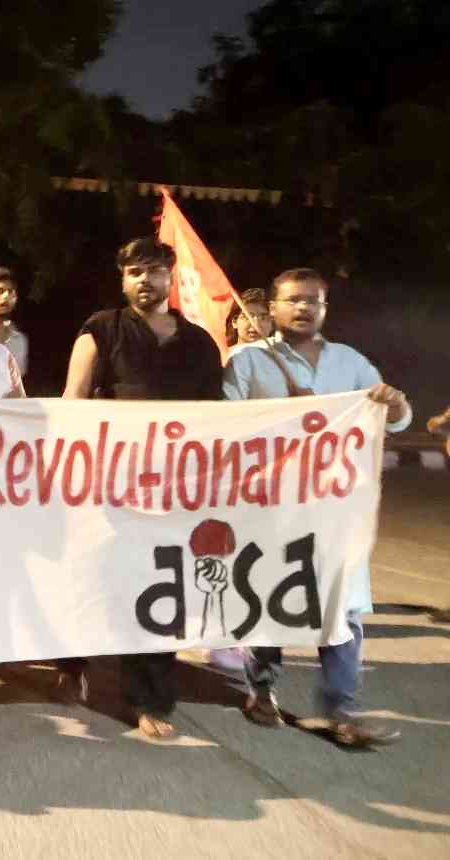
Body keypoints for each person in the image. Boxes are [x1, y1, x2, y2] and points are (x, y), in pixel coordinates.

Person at [223, 267, 410, 746]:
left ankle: (340, 708)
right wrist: (289, 414)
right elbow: (223, 424)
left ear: (325, 308)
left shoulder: (350, 362)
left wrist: (394, 403)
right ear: (275, 306)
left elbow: (396, 418)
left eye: (313, 300)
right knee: (267, 597)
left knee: (341, 607)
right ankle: (260, 690)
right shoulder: (247, 362)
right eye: (293, 300)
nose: (303, 307)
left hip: (336, 509)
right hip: (271, 505)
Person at [61, 237, 223, 740]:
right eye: (135, 271)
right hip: (107, 488)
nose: (145, 280)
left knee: (161, 593)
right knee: (92, 582)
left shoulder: (198, 344)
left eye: (155, 270)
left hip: (174, 494)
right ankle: (72, 661)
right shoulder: (101, 331)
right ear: (123, 279)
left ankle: (149, 698)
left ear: (171, 278)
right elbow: (74, 399)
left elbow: (217, 421)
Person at [224, 287, 273, 357]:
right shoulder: (223, 358)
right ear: (234, 321)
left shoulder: (283, 360)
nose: (256, 324)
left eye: (263, 318)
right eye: (248, 317)